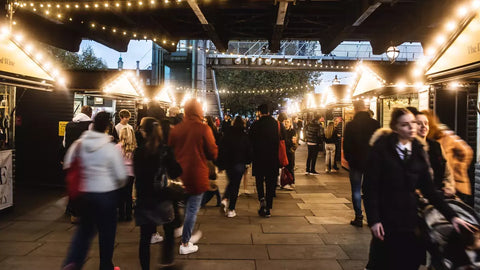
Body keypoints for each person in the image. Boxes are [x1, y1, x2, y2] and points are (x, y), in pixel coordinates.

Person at [363, 108, 474, 270]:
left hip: (409, 219)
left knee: (410, 261)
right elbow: (370, 188)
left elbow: (429, 190)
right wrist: (374, 220)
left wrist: (453, 216)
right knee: (383, 262)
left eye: (413, 123)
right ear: (395, 127)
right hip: (387, 218)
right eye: (405, 125)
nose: (412, 128)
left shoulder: (418, 151)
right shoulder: (381, 150)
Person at [62, 112, 127, 270]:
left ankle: (73, 263)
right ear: (106, 127)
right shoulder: (110, 148)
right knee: (107, 233)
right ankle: (106, 265)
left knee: (84, 231)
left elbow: (68, 164)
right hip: (106, 196)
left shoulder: (79, 144)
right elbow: (121, 176)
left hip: (85, 195)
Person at [168, 99, 218, 255]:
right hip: (197, 175)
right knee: (192, 209)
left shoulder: (176, 129)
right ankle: (185, 242)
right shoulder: (203, 129)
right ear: (199, 111)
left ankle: (179, 228)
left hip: (178, 175)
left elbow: (169, 150)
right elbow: (212, 152)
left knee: (181, 204)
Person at [133, 117, 183, 270]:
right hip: (162, 199)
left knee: (145, 239)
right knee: (169, 231)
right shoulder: (165, 151)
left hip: (144, 200)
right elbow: (176, 172)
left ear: (143, 132)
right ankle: (167, 261)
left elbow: (137, 174)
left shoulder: (139, 152)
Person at [343, 100, 380, 227]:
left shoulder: (351, 125)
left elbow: (346, 144)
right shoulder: (375, 124)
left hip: (355, 163)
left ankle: (358, 217)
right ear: (365, 108)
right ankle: (372, 218)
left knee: (356, 190)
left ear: (355, 109)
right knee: (371, 191)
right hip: (373, 163)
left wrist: (349, 159)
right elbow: (379, 143)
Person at [426, 111, 474, 205]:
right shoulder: (427, 140)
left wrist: (457, 168)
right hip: (442, 186)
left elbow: (467, 151)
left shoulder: (446, 135)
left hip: (457, 185)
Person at [407, 108, 455, 196]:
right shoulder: (408, 147)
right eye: (419, 123)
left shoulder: (436, 146)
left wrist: (449, 187)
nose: (423, 126)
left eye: (426, 123)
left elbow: (447, 173)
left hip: (440, 195)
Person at [249, 104, 282, 218]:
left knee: (259, 180)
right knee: (270, 182)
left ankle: (261, 198)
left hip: (258, 158)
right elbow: (280, 139)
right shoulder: (275, 124)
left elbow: (250, 141)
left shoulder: (255, 124)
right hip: (272, 157)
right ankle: (268, 206)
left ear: (259, 112)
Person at [63, 105, 93, 222]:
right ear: (90, 113)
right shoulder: (90, 125)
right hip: (85, 160)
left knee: (73, 185)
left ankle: (71, 209)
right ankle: (80, 212)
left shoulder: (69, 124)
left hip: (71, 160)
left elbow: (65, 142)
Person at [217, 116, 251, 218]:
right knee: (235, 185)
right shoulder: (245, 136)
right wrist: (248, 162)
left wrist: (220, 164)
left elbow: (221, 149)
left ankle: (225, 199)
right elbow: (249, 150)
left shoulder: (227, 135)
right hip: (240, 163)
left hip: (229, 164)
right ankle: (231, 209)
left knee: (231, 182)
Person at [116, 127, 137, 222]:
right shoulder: (135, 148)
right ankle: (128, 215)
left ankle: (121, 214)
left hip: (120, 173)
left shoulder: (116, 147)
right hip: (130, 174)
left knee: (120, 194)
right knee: (128, 194)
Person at [282, 118, 297, 189]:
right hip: (284, 151)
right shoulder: (283, 131)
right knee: (285, 167)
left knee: (291, 167)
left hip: (290, 151)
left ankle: (292, 181)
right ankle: (286, 182)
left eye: (287, 122)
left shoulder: (293, 131)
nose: (286, 123)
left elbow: (294, 142)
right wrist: (289, 142)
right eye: (285, 122)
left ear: (290, 123)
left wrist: (288, 143)